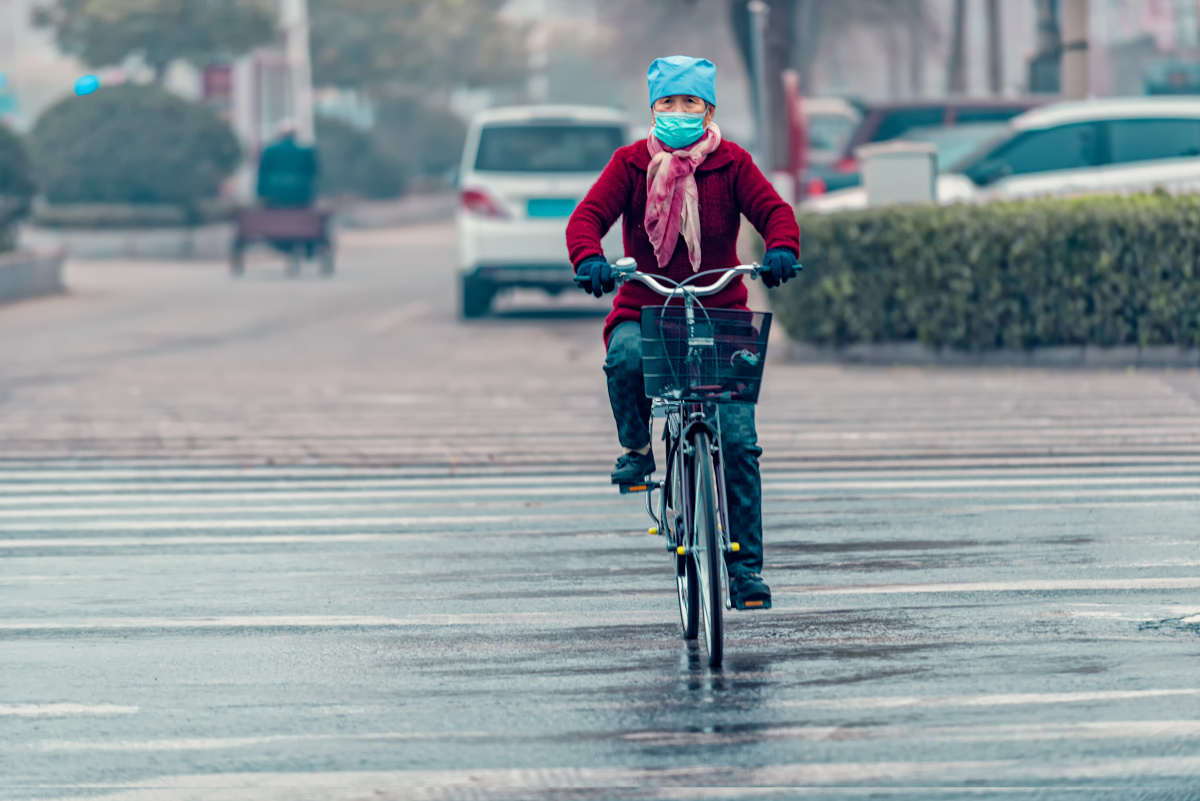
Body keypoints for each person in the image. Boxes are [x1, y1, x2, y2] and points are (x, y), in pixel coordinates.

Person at [565, 55, 801, 611]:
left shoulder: (734, 164)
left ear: (708, 109)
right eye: (667, 103)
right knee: (624, 358)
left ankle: (744, 571)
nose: (677, 112)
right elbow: (586, 219)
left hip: (721, 311)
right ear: (653, 109)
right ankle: (637, 448)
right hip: (646, 305)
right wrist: (590, 259)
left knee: (739, 442)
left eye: (688, 102)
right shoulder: (628, 165)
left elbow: (775, 211)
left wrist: (782, 248)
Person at [256, 119, 319, 208]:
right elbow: (312, 173)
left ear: (280, 134)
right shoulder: (307, 151)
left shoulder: (270, 150)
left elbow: (263, 173)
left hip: (274, 194)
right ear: (295, 134)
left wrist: (260, 194)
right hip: (300, 194)